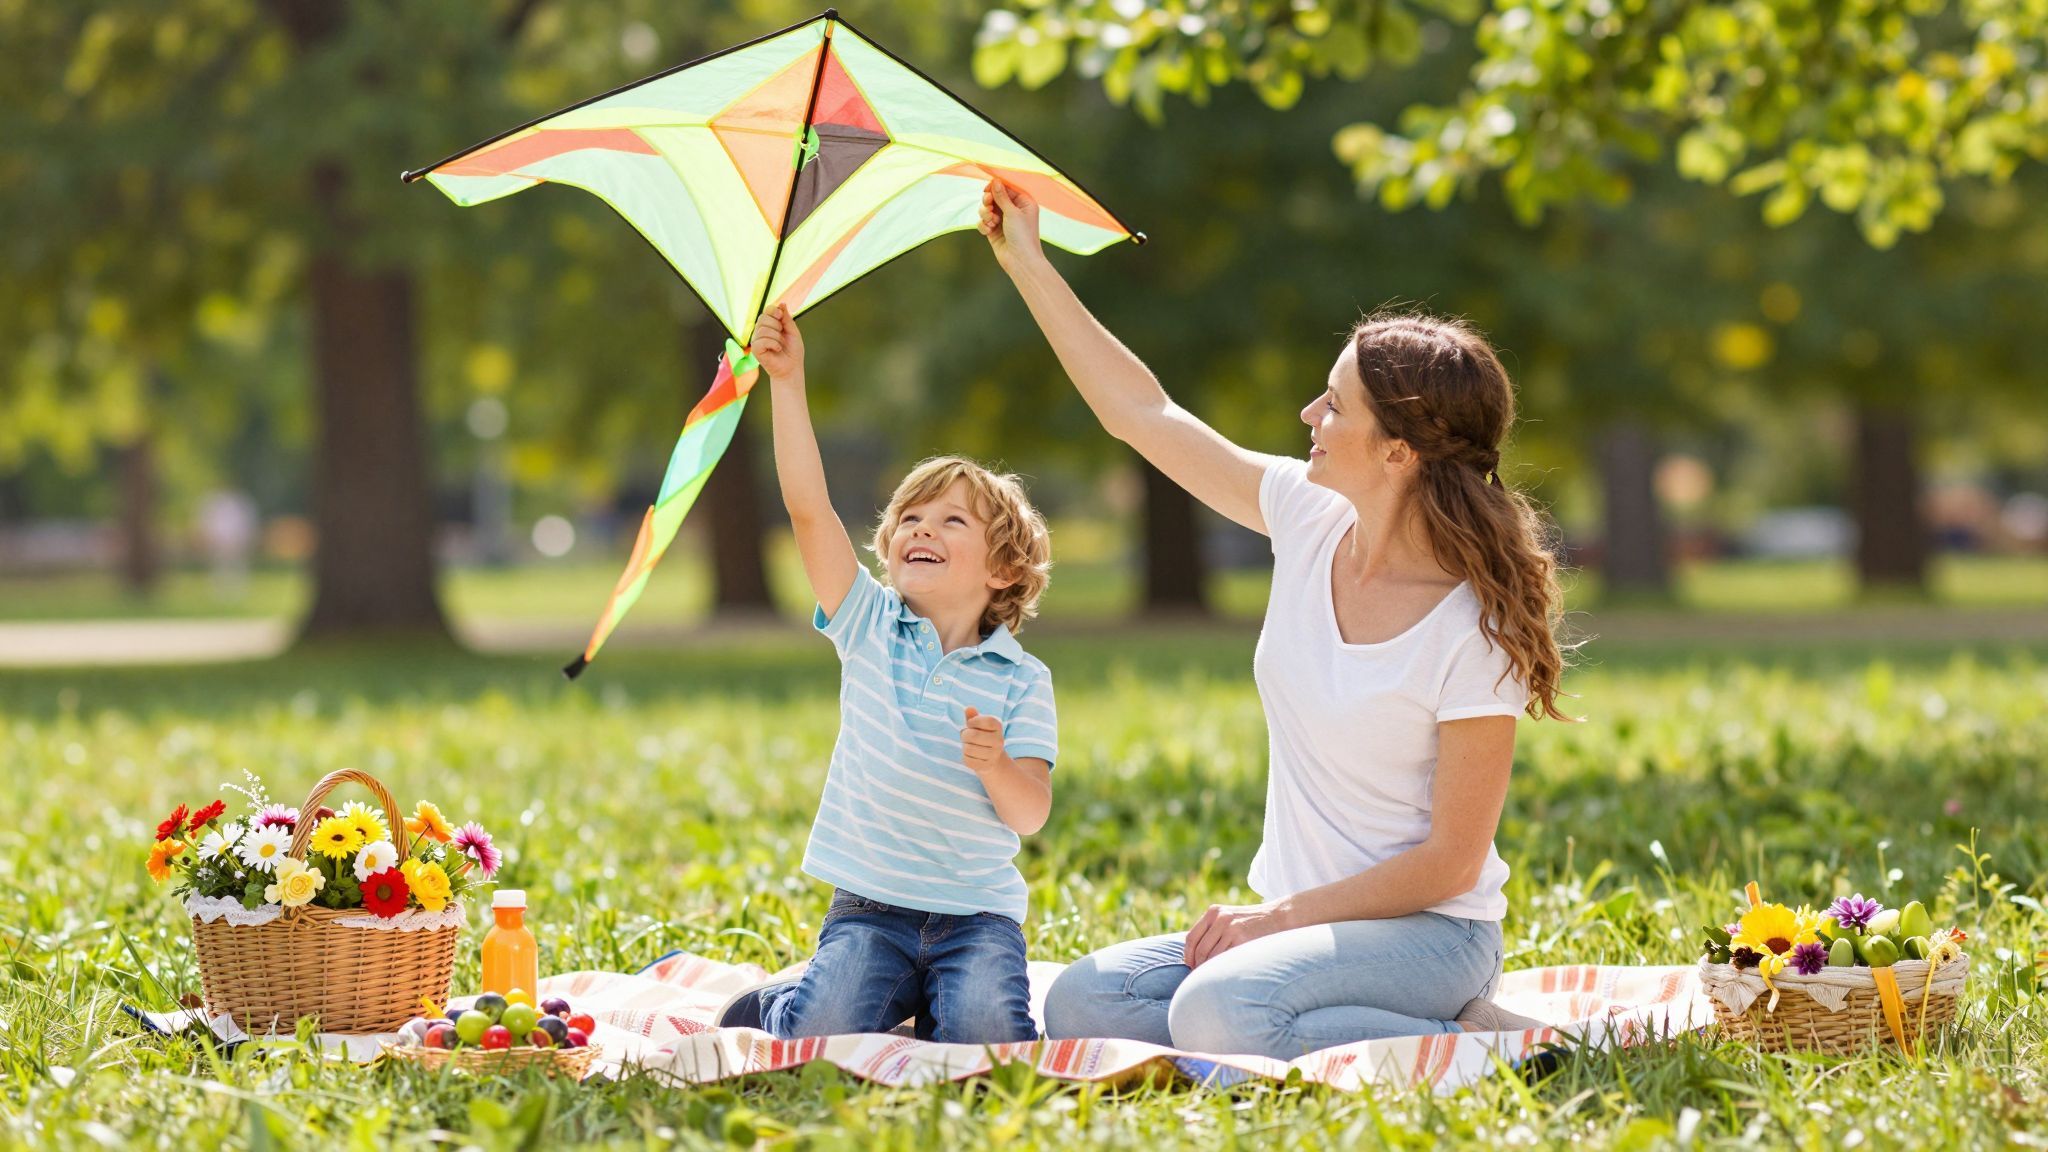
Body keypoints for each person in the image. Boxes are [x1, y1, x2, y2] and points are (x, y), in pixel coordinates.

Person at [978, 181, 1569, 1058]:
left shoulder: (1470, 628)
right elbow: (1143, 414)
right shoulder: (1307, 514)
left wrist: (1276, 921)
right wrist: (1027, 259)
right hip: (1299, 934)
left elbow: (1449, 862)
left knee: (1218, 1014)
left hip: (1432, 936)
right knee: (1085, 1002)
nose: (1309, 417)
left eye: (1334, 406)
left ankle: (1477, 1036)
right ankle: (1431, 1036)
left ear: (1399, 451)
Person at [717, 304, 1059, 1043]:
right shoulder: (869, 624)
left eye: (950, 521)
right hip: (870, 907)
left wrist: (997, 764)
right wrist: (787, 380)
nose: (921, 530)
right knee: (821, 1034)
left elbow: (1029, 813)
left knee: (988, 1041)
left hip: (978, 916)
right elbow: (809, 512)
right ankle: (784, 1002)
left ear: (1003, 569)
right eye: (910, 519)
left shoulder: (1022, 680)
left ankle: (929, 1006)